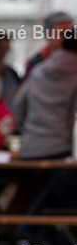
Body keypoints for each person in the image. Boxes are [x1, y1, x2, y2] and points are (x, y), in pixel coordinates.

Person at [13, 28, 77, 160]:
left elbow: (18, 105)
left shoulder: (39, 69)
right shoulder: (74, 75)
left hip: (30, 148)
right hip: (61, 151)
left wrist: (26, 132)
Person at [23, 11, 74, 79]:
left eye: (70, 34)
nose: (66, 38)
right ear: (47, 35)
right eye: (61, 33)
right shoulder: (35, 64)